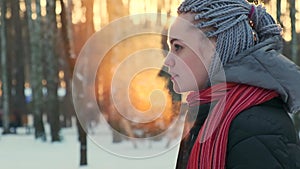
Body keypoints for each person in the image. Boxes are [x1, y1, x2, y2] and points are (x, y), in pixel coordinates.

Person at [163, 0, 300, 169]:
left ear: (215, 47)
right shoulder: (206, 112)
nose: (167, 60)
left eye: (178, 47)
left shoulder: (257, 126)